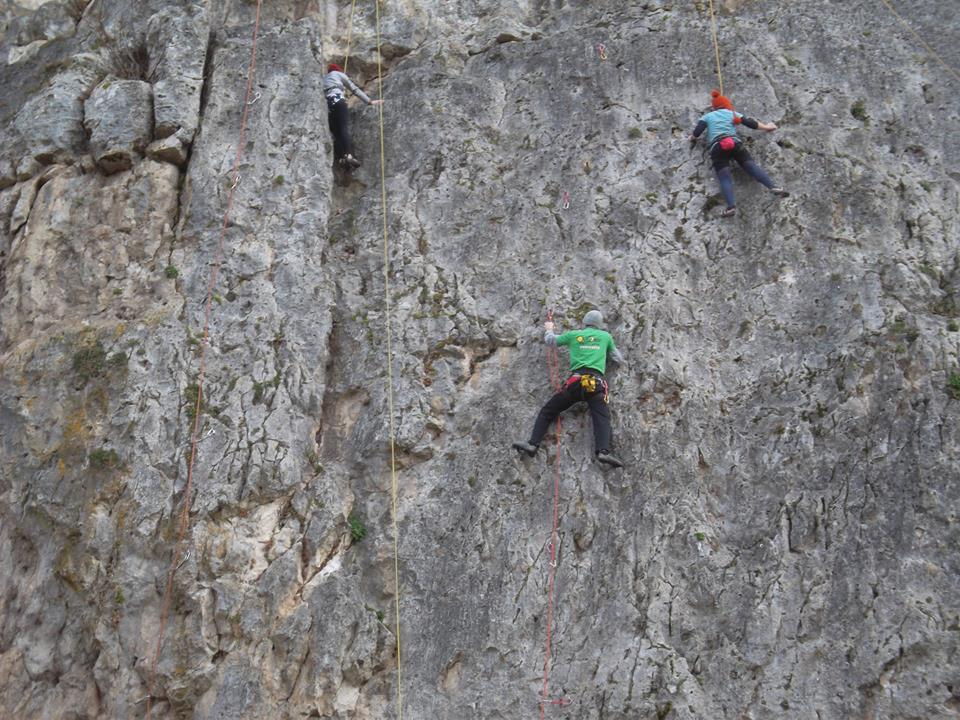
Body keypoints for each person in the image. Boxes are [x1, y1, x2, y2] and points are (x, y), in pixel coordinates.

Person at [513, 310, 625, 468]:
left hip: (575, 383)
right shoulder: (605, 337)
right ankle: (603, 451)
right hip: (596, 385)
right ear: (599, 325)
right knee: (602, 417)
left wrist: (549, 327)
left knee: (548, 410)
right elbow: (618, 359)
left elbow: (550, 340)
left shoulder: (574, 335)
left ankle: (533, 444)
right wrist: (600, 355)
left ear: (585, 322)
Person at [689, 89, 789, 217]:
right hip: (734, 143)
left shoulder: (708, 116)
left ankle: (731, 207)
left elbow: (697, 132)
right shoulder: (732, 113)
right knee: (751, 167)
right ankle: (773, 187)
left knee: (725, 177)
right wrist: (768, 127)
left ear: (714, 107)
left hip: (717, 147)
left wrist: (691, 137)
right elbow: (750, 123)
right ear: (726, 104)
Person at [323, 63, 383, 169]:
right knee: (343, 128)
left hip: (328, 107)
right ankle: (348, 155)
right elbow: (354, 89)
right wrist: (369, 101)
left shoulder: (323, 79)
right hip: (339, 101)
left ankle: (341, 158)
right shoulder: (339, 74)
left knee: (336, 134)